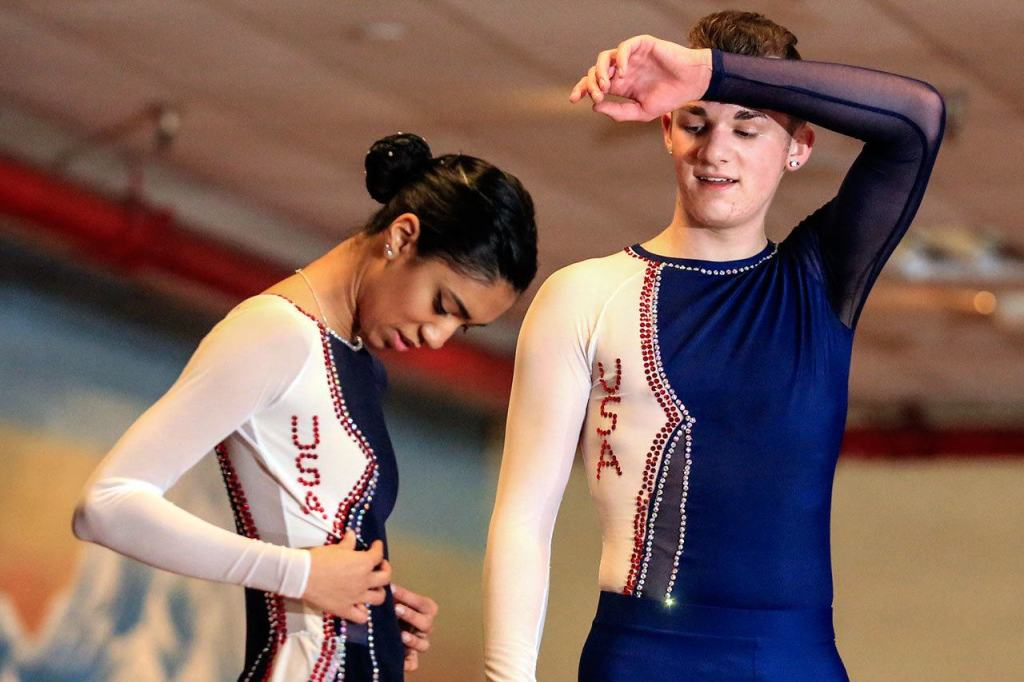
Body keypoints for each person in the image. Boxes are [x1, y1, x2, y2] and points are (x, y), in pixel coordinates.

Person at [483, 11, 944, 681]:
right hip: (641, 656)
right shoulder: (584, 295)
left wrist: (707, 74)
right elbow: (523, 518)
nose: (716, 151)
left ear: (799, 146)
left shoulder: (820, 281)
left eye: (747, 129)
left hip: (791, 660)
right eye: (696, 124)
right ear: (666, 130)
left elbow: (917, 119)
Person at [73, 132, 538, 681]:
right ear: (402, 236)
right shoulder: (274, 333)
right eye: (442, 304)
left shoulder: (358, 361)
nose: (438, 337)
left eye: (462, 327)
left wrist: (373, 608)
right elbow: (106, 505)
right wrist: (302, 576)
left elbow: (310, 536)